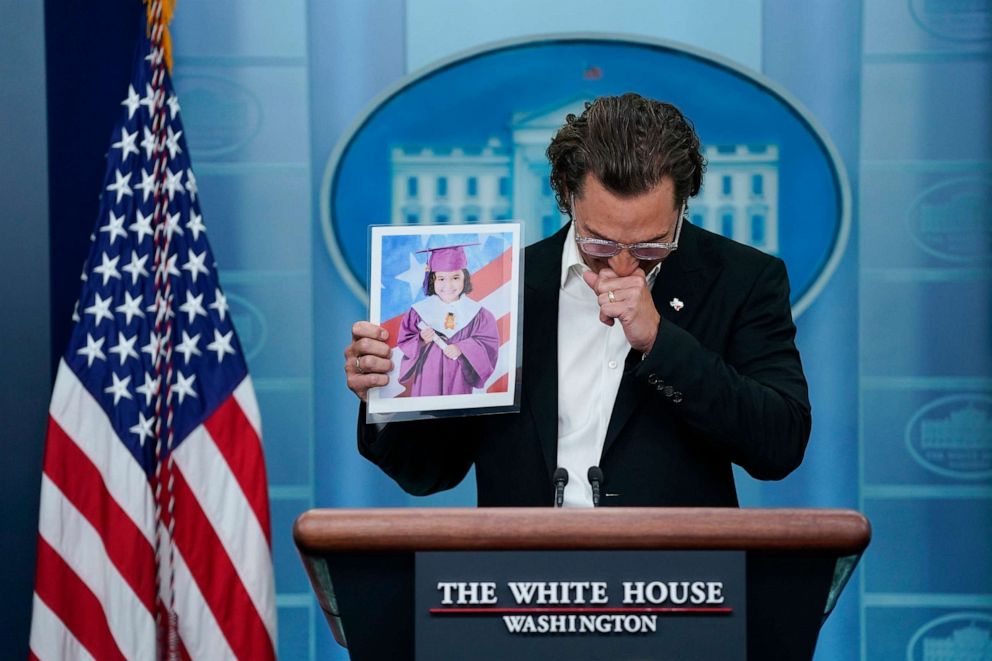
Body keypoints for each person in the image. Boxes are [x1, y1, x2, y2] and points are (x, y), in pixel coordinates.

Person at [344, 93, 811, 507]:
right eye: (601, 243)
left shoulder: (743, 279)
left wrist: (661, 344)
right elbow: (428, 472)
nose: (626, 265)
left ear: (683, 205)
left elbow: (779, 445)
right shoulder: (503, 291)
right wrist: (385, 398)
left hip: (679, 584)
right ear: (567, 195)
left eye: (651, 246)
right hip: (523, 582)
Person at [395, 244, 500, 397]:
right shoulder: (418, 312)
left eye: (456, 277)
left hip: (459, 378)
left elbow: (489, 344)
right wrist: (422, 340)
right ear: (432, 280)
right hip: (427, 376)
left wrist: (462, 347)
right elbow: (405, 341)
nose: (448, 285)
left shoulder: (480, 314)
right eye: (441, 278)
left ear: (465, 278)